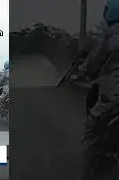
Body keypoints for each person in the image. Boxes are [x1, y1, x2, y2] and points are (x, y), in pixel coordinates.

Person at [79, 1, 119, 180]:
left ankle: (88, 175)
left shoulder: (109, 38)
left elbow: (91, 67)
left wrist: (83, 69)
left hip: (112, 100)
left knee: (91, 135)